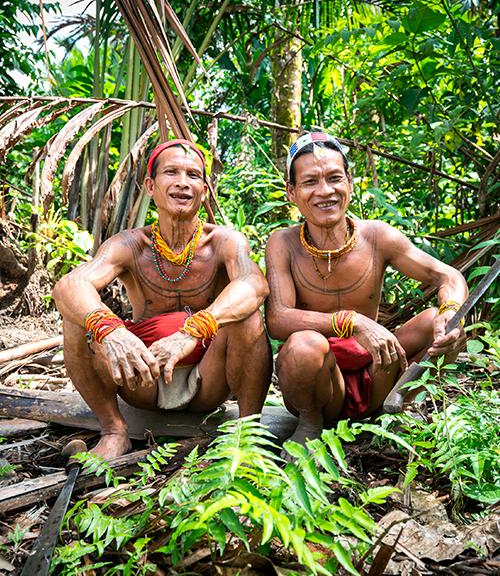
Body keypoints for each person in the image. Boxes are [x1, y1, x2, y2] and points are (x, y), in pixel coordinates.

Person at [53, 139, 272, 460]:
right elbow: (70, 284)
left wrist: (192, 331)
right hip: (144, 379)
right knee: (78, 321)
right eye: (172, 172)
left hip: (209, 377)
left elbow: (254, 284)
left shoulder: (225, 241)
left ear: (205, 191)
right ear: (151, 186)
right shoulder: (130, 244)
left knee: (248, 314)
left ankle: (246, 434)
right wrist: (109, 330)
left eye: (193, 175)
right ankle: (114, 430)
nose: (183, 182)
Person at [264, 132, 467, 461]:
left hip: (378, 375)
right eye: (310, 181)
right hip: (318, 385)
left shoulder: (377, 236)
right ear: (292, 192)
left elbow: (447, 275)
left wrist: (452, 312)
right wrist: (352, 321)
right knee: (304, 345)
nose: (324, 191)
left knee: (436, 323)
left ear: (350, 182)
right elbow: (277, 318)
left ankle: (395, 408)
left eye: (334, 178)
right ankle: (310, 425)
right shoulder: (283, 244)